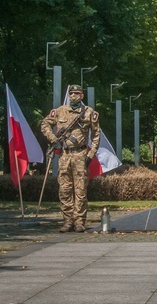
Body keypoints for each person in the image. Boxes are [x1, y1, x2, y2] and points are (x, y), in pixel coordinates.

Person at [41, 84, 100, 232]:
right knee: (65, 189)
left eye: (76, 93)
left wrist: (91, 154)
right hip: (65, 155)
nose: (73, 96)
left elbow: (96, 135)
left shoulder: (89, 113)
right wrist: (53, 140)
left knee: (80, 190)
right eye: (71, 93)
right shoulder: (61, 111)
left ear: (82, 96)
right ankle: (67, 221)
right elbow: (45, 124)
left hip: (80, 155)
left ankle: (79, 221)